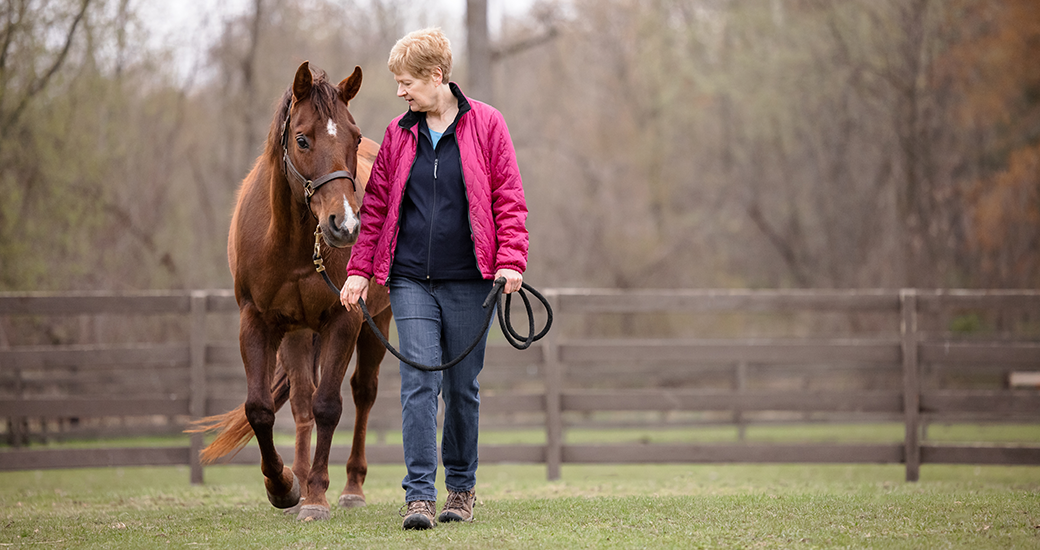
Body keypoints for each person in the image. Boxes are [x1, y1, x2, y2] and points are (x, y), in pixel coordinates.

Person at [339, 27, 528, 530]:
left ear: (436, 76)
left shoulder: (487, 124)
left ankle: (460, 489)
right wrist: (359, 271)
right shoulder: (400, 135)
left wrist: (511, 259)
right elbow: (376, 208)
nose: (400, 92)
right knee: (418, 382)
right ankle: (419, 495)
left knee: (462, 387)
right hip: (409, 281)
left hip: (471, 280)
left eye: (406, 82)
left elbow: (508, 198)